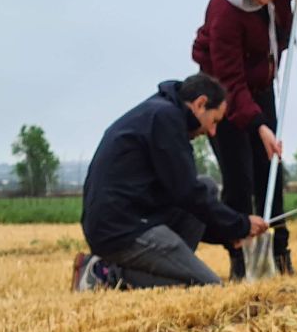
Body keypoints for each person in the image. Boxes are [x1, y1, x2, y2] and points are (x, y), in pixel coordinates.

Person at [73, 74, 267, 291]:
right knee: (207, 286)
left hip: (132, 217)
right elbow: (188, 193)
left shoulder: (161, 112)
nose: (212, 132)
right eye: (214, 121)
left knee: (207, 185)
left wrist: (229, 234)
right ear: (200, 104)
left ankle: (156, 269)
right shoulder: (166, 119)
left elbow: (183, 199)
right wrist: (241, 224)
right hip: (122, 229)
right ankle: (105, 274)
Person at [192, 0, 297, 279]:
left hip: (260, 88)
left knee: (269, 170)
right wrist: (259, 126)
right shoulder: (225, 12)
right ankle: (241, 259)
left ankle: (279, 250)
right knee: (239, 178)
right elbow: (230, 80)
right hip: (221, 92)